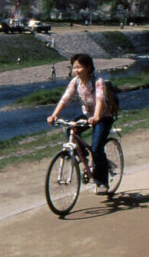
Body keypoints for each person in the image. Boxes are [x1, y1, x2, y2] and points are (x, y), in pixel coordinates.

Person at [47, 54, 116, 195]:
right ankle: (82, 154)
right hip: (87, 115)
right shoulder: (75, 82)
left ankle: (102, 181)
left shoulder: (98, 81)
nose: (76, 70)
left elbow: (100, 99)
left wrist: (97, 116)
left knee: (97, 148)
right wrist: (54, 115)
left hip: (103, 116)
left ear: (88, 67)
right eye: (74, 67)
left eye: (79, 67)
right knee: (70, 129)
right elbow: (65, 98)